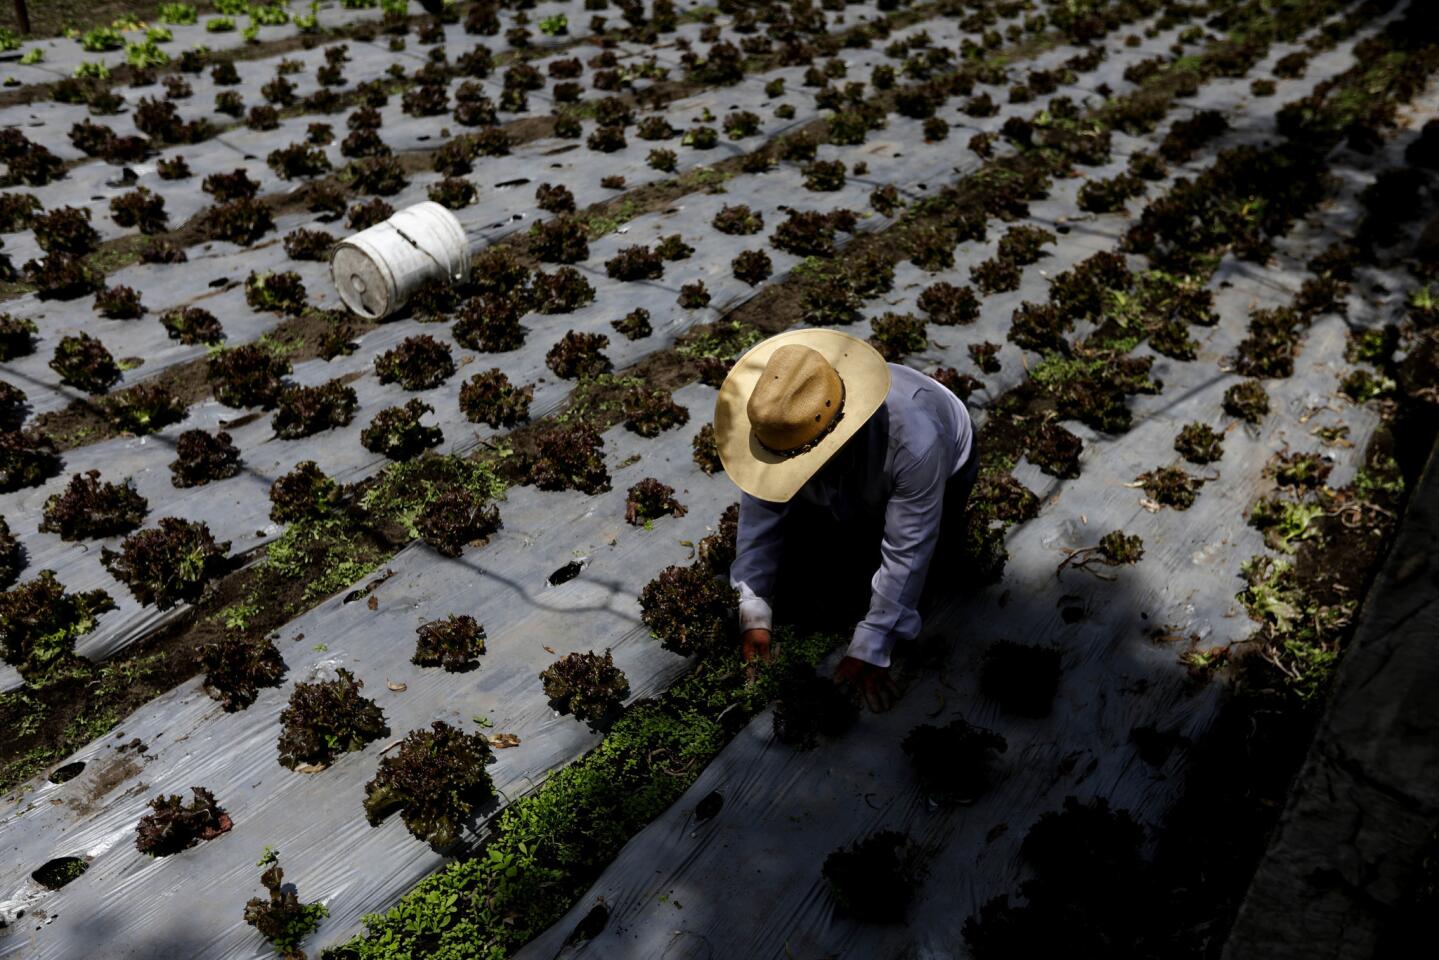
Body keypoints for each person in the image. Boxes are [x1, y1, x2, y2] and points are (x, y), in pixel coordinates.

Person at [712, 329, 978, 713]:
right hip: (858, 470)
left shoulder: (916, 442)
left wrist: (872, 645)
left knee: (933, 568)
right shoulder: (781, 426)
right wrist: (753, 609)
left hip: (947, 466)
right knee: (831, 555)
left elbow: (908, 549)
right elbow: (761, 517)